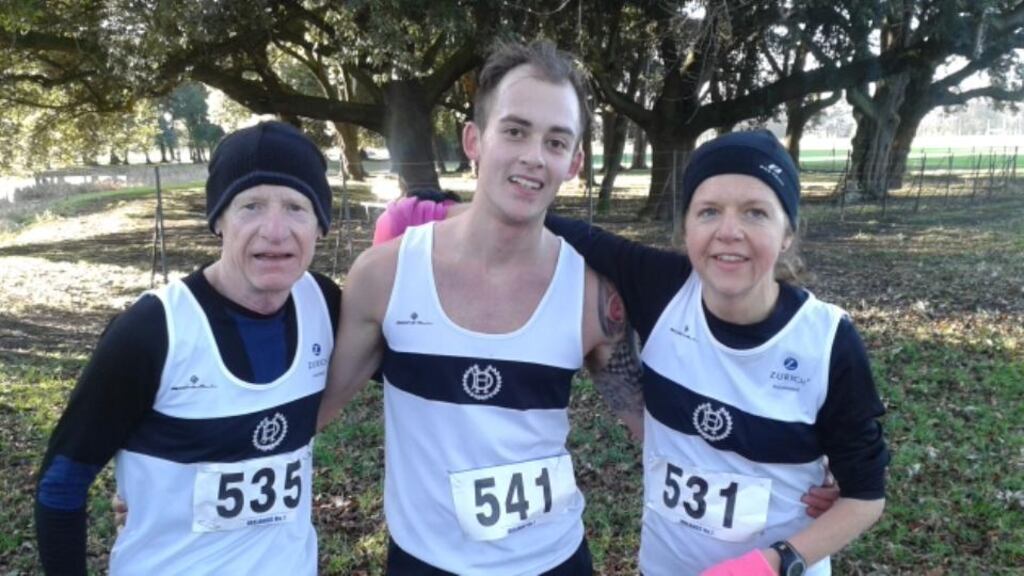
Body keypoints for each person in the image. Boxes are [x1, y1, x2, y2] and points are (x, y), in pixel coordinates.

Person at [373, 131, 881, 575]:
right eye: (709, 211)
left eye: (755, 212)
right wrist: (432, 212)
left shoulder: (829, 341)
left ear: (788, 230)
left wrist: (776, 562)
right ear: (686, 228)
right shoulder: (661, 288)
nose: (729, 231)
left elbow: (863, 498)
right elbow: (553, 227)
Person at [317, 40, 646, 575]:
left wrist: (799, 466)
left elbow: (651, 425)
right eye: (514, 131)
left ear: (575, 162)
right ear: (474, 139)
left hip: (554, 560)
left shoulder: (593, 296)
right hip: (424, 561)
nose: (533, 156)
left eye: (556, 141)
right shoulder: (384, 276)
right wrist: (167, 482)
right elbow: (308, 413)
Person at [35, 121, 341, 575]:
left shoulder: (325, 304)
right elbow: (61, 484)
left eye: (296, 207)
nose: (275, 231)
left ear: (320, 223)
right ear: (218, 219)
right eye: (250, 206)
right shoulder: (152, 331)